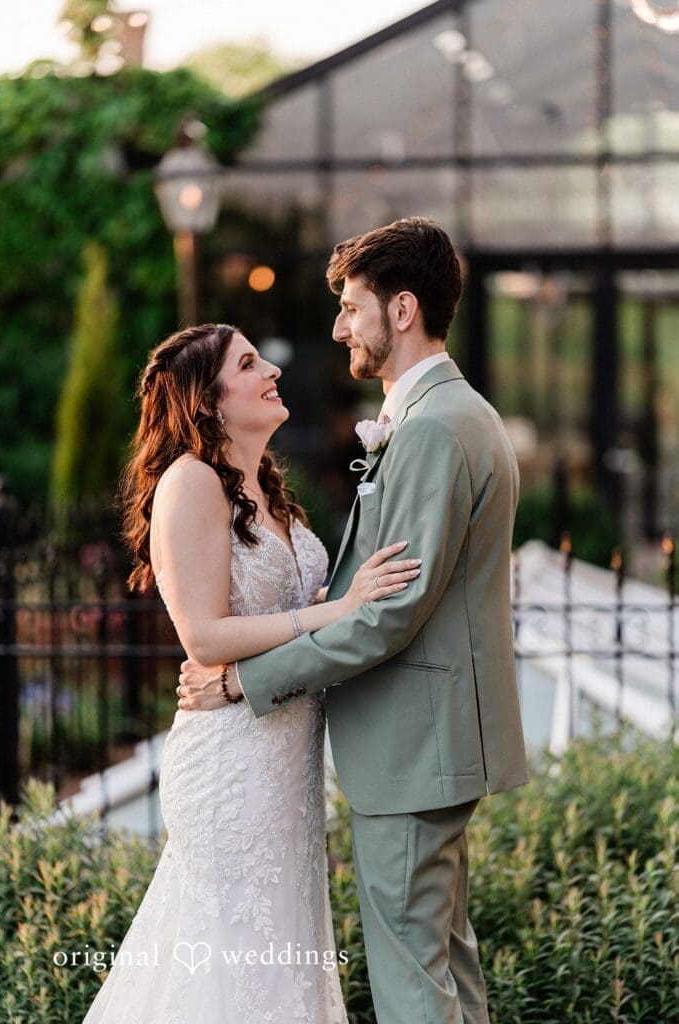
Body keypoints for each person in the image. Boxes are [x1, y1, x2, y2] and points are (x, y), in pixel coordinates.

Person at [180, 218, 529, 1024]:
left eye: (350, 307)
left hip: (415, 747)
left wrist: (242, 683)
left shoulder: (436, 428)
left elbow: (386, 618)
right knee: (442, 970)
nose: (339, 327)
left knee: (413, 985)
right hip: (425, 744)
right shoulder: (442, 416)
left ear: (401, 310)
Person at [81, 322, 423, 1024]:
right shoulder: (190, 483)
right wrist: (337, 612)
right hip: (230, 766)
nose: (271, 367)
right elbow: (203, 636)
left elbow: (293, 611)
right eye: (246, 362)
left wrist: (334, 605)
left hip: (286, 769)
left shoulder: (263, 486)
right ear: (207, 402)